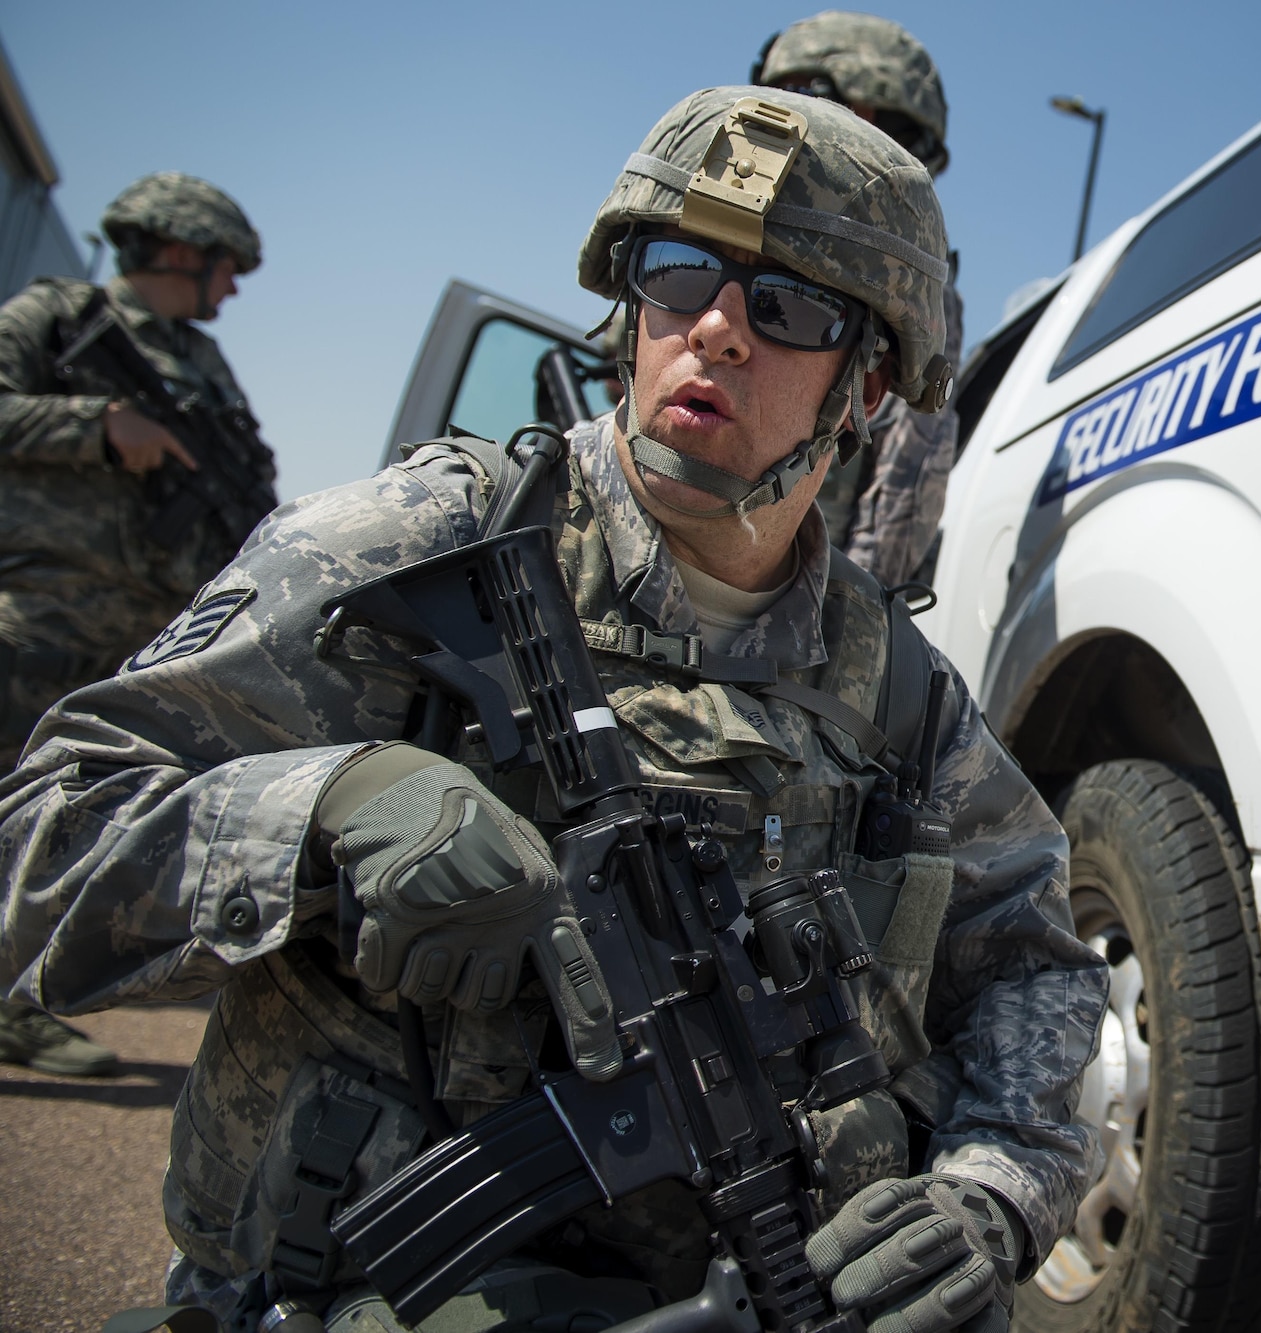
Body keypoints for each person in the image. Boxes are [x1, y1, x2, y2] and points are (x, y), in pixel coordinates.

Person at [0, 88, 1105, 1333]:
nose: (718, 334)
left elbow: (1035, 967)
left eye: (791, 306)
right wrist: (322, 810)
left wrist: (988, 1194)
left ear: (865, 388)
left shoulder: (895, 688)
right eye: (679, 278)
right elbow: (43, 833)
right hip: (359, 1292)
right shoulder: (421, 545)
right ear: (628, 314)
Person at [0, 170, 273, 1079]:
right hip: (38, 608)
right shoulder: (54, 315)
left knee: (75, 811)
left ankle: (30, 986)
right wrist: (100, 428)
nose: (232, 289)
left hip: (137, 635)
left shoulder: (200, 360)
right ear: (184, 250)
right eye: (226, 268)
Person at [755, 11, 963, 589]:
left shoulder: (902, 294)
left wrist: (832, 623)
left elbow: (905, 490)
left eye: (797, 99)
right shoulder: (720, 227)